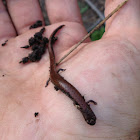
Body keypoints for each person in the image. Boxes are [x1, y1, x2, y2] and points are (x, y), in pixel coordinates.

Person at [0, 0, 140, 139]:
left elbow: (80, 102)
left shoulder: (84, 105)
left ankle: (52, 61)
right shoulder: (83, 105)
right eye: (89, 118)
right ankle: (51, 57)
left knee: (54, 69)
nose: (90, 119)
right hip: (57, 80)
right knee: (54, 69)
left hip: (57, 80)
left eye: (89, 119)